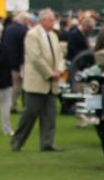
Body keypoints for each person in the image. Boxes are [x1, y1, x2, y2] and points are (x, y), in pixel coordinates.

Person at [11, 9, 66, 152]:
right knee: (30, 113)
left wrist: (59, 69)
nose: (53, 23)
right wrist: (49, 73)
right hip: (37, 81)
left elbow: (60, 55)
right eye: (51, 20)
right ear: (42, 20)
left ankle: (47, 143)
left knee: (50, 115)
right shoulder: (32, 35)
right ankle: (17, 141)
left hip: (52, 83)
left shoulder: (53, 35)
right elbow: (36, 58)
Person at [3, 12, 30, 111]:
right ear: (24, 20)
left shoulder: (8, 29)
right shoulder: (25, 30)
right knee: (19, 85)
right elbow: (24, 48)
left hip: (8, 61)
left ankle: (11, 104)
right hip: (20, 61)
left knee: (13, 85)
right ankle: (18, 105)